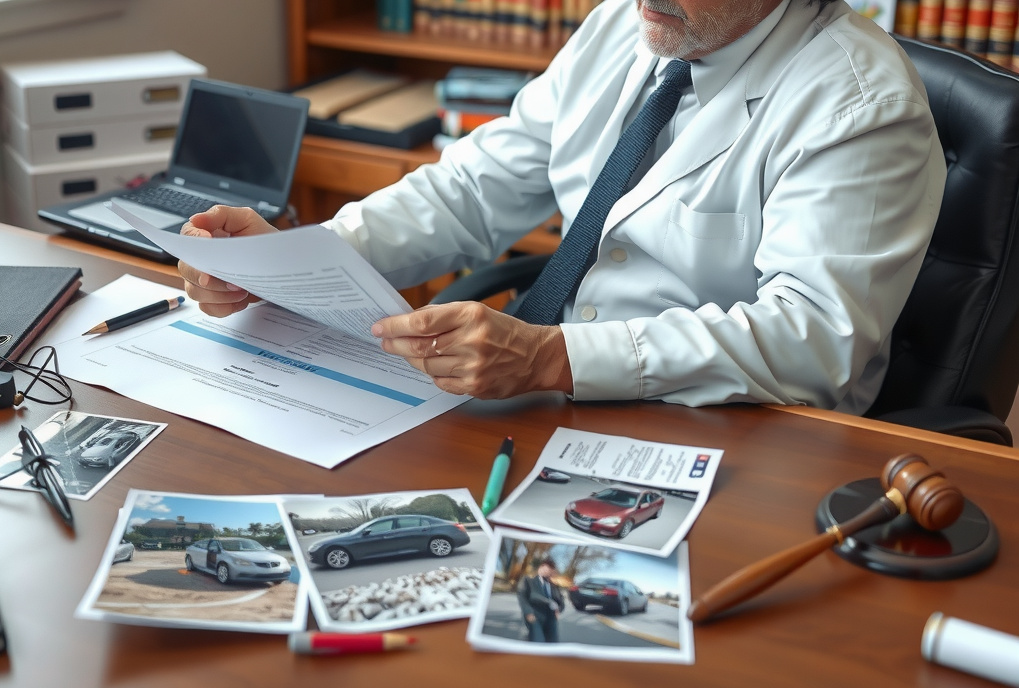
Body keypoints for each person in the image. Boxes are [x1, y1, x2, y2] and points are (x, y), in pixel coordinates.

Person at [178, 0, 946, 414]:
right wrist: (290, 257)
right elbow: (473, 187)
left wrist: (552, 357)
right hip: (545, 396)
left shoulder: (857, 104)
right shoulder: (628, 22)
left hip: (718, 422)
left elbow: (812, 341)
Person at [516, 557, 566, 642]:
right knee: (538, 640)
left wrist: (558, 609)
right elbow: (522, 596)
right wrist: (528, 612)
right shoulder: (529, 581)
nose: (544, 571)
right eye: (543, 568)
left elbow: (561, 601)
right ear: (539, 568)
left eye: (548, 570)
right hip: (535, 615)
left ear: (551, 572)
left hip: (551, 617)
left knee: (552, 642)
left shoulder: (553, 586)